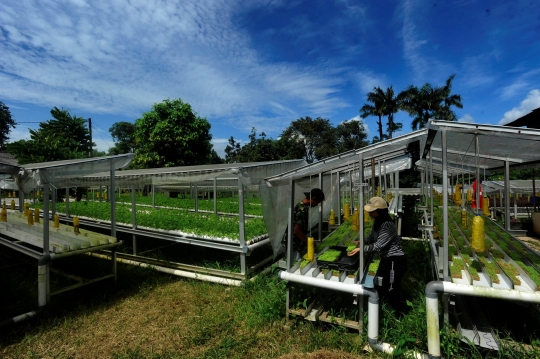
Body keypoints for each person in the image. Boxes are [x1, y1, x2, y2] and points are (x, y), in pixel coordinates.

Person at [347, 196, 407, 314]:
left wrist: (361, 249)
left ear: (379, 211)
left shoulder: (387, 225)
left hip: (395, 259)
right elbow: (371, 238)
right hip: (387, 258)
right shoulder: (378, 222)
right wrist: (361, 241)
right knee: (386, 284)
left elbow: (378, 245)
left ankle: (396, 314)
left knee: (391, 287)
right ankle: (388, 309)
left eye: (371, 211)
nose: (369, 213)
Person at [283, 188, 325, 258]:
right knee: (294, 265)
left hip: (292, 242)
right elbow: (297, 231)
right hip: (294, 244)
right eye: (317, 202)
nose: (316, 204)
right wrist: (309, 242)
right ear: (313, 198)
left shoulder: (301, 205)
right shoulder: (302, 210)